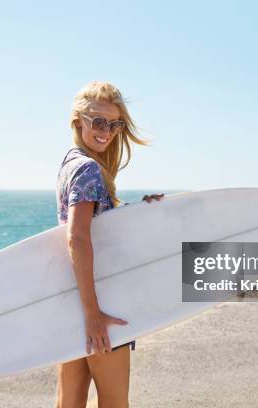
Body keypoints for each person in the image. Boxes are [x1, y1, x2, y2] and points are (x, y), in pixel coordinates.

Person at [54, 81, 164, 408]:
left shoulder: (70, 163)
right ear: (78, 121)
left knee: (68, 403)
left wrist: (137, 213)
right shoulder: (88, 169)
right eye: (98, 122)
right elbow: (77, 237)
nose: (107, 131)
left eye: (114, 124)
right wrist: (94, 315)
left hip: (70, 301)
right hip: (97, 304)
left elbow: (95, 229)